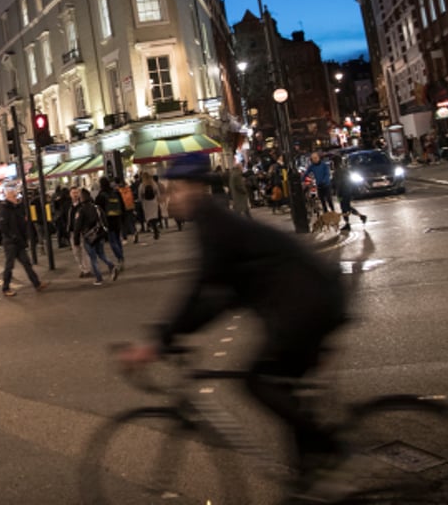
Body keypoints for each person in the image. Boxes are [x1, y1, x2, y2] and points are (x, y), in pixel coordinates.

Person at [115, 153, 348, 489]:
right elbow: (216, 297)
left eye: (175, 189)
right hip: (307, 299)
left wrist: (158, 341)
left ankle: (331, 450)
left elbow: (202, 290)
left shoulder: (215, 225)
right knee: (284, 387)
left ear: (195, 188)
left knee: (258, 380)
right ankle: (311, 479)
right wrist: (172, 336)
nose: (169, 197)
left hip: (306, 304)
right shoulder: (214, 221)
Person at [0, 186, 47, 297]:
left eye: (16, 196)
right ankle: (6, 288)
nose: (16, 198)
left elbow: (21, 223)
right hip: (10, 242)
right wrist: (13, 236)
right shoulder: (4, 209)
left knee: (27, 264)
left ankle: (37, 283)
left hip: (19, 241)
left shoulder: (16, 208)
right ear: (8, 197)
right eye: (14, 196)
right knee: (9, 266)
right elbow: (3, 226)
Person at [72, 187, 118, 286]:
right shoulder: (97, 208)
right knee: (101, 254)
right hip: (99, 235)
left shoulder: (81, 211)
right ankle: (111, 265)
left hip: (89, 237)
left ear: (82, 198)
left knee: (93, 258)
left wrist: (76, 240)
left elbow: (77, 227)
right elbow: (104, 220)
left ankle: (99, 278)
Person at [94, 177, 126, 270]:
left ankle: (120, 257)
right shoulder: (116, 192)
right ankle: (121, 256)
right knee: (117, 239)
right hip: (117, 218)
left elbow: (97, 209)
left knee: (112, 241)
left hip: (108, 221)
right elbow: (122, 205)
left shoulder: (101, 195)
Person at [335, 165, 368, 231]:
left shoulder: (337, 172)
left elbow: (339, 184)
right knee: (348, 207)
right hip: (348, 191)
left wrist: (338, 196)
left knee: (344, 208)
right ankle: (361, 216)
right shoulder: (345, 170)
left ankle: (347, 224)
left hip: (342, 193)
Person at [139, 172, 162, 239]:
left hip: (146, 203)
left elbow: (140, 195)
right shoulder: (153, 184)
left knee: (149, 217)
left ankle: (154, 228)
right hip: (153, 202)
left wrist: (141, 201)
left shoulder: (142, 185)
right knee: (154, 216)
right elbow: (157, 192)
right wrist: (158, 199)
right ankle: (156, 228)